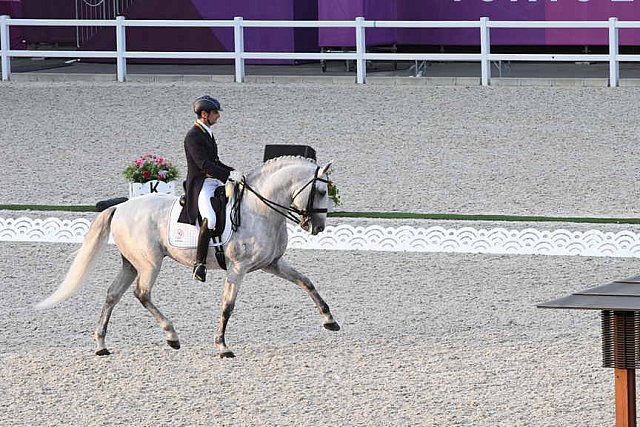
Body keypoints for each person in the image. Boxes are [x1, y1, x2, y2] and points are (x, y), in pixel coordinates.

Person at [178, 95, 241, 282]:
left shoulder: (208, 133)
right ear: (204, 114)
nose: (218, 116)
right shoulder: (193, 136)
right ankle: (199, 264)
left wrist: (233, 172)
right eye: (215, 113)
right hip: (201, 183)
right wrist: (227, 176)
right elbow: (204, 164)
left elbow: (216, 161)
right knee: (211, 219)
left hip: (214, 181)